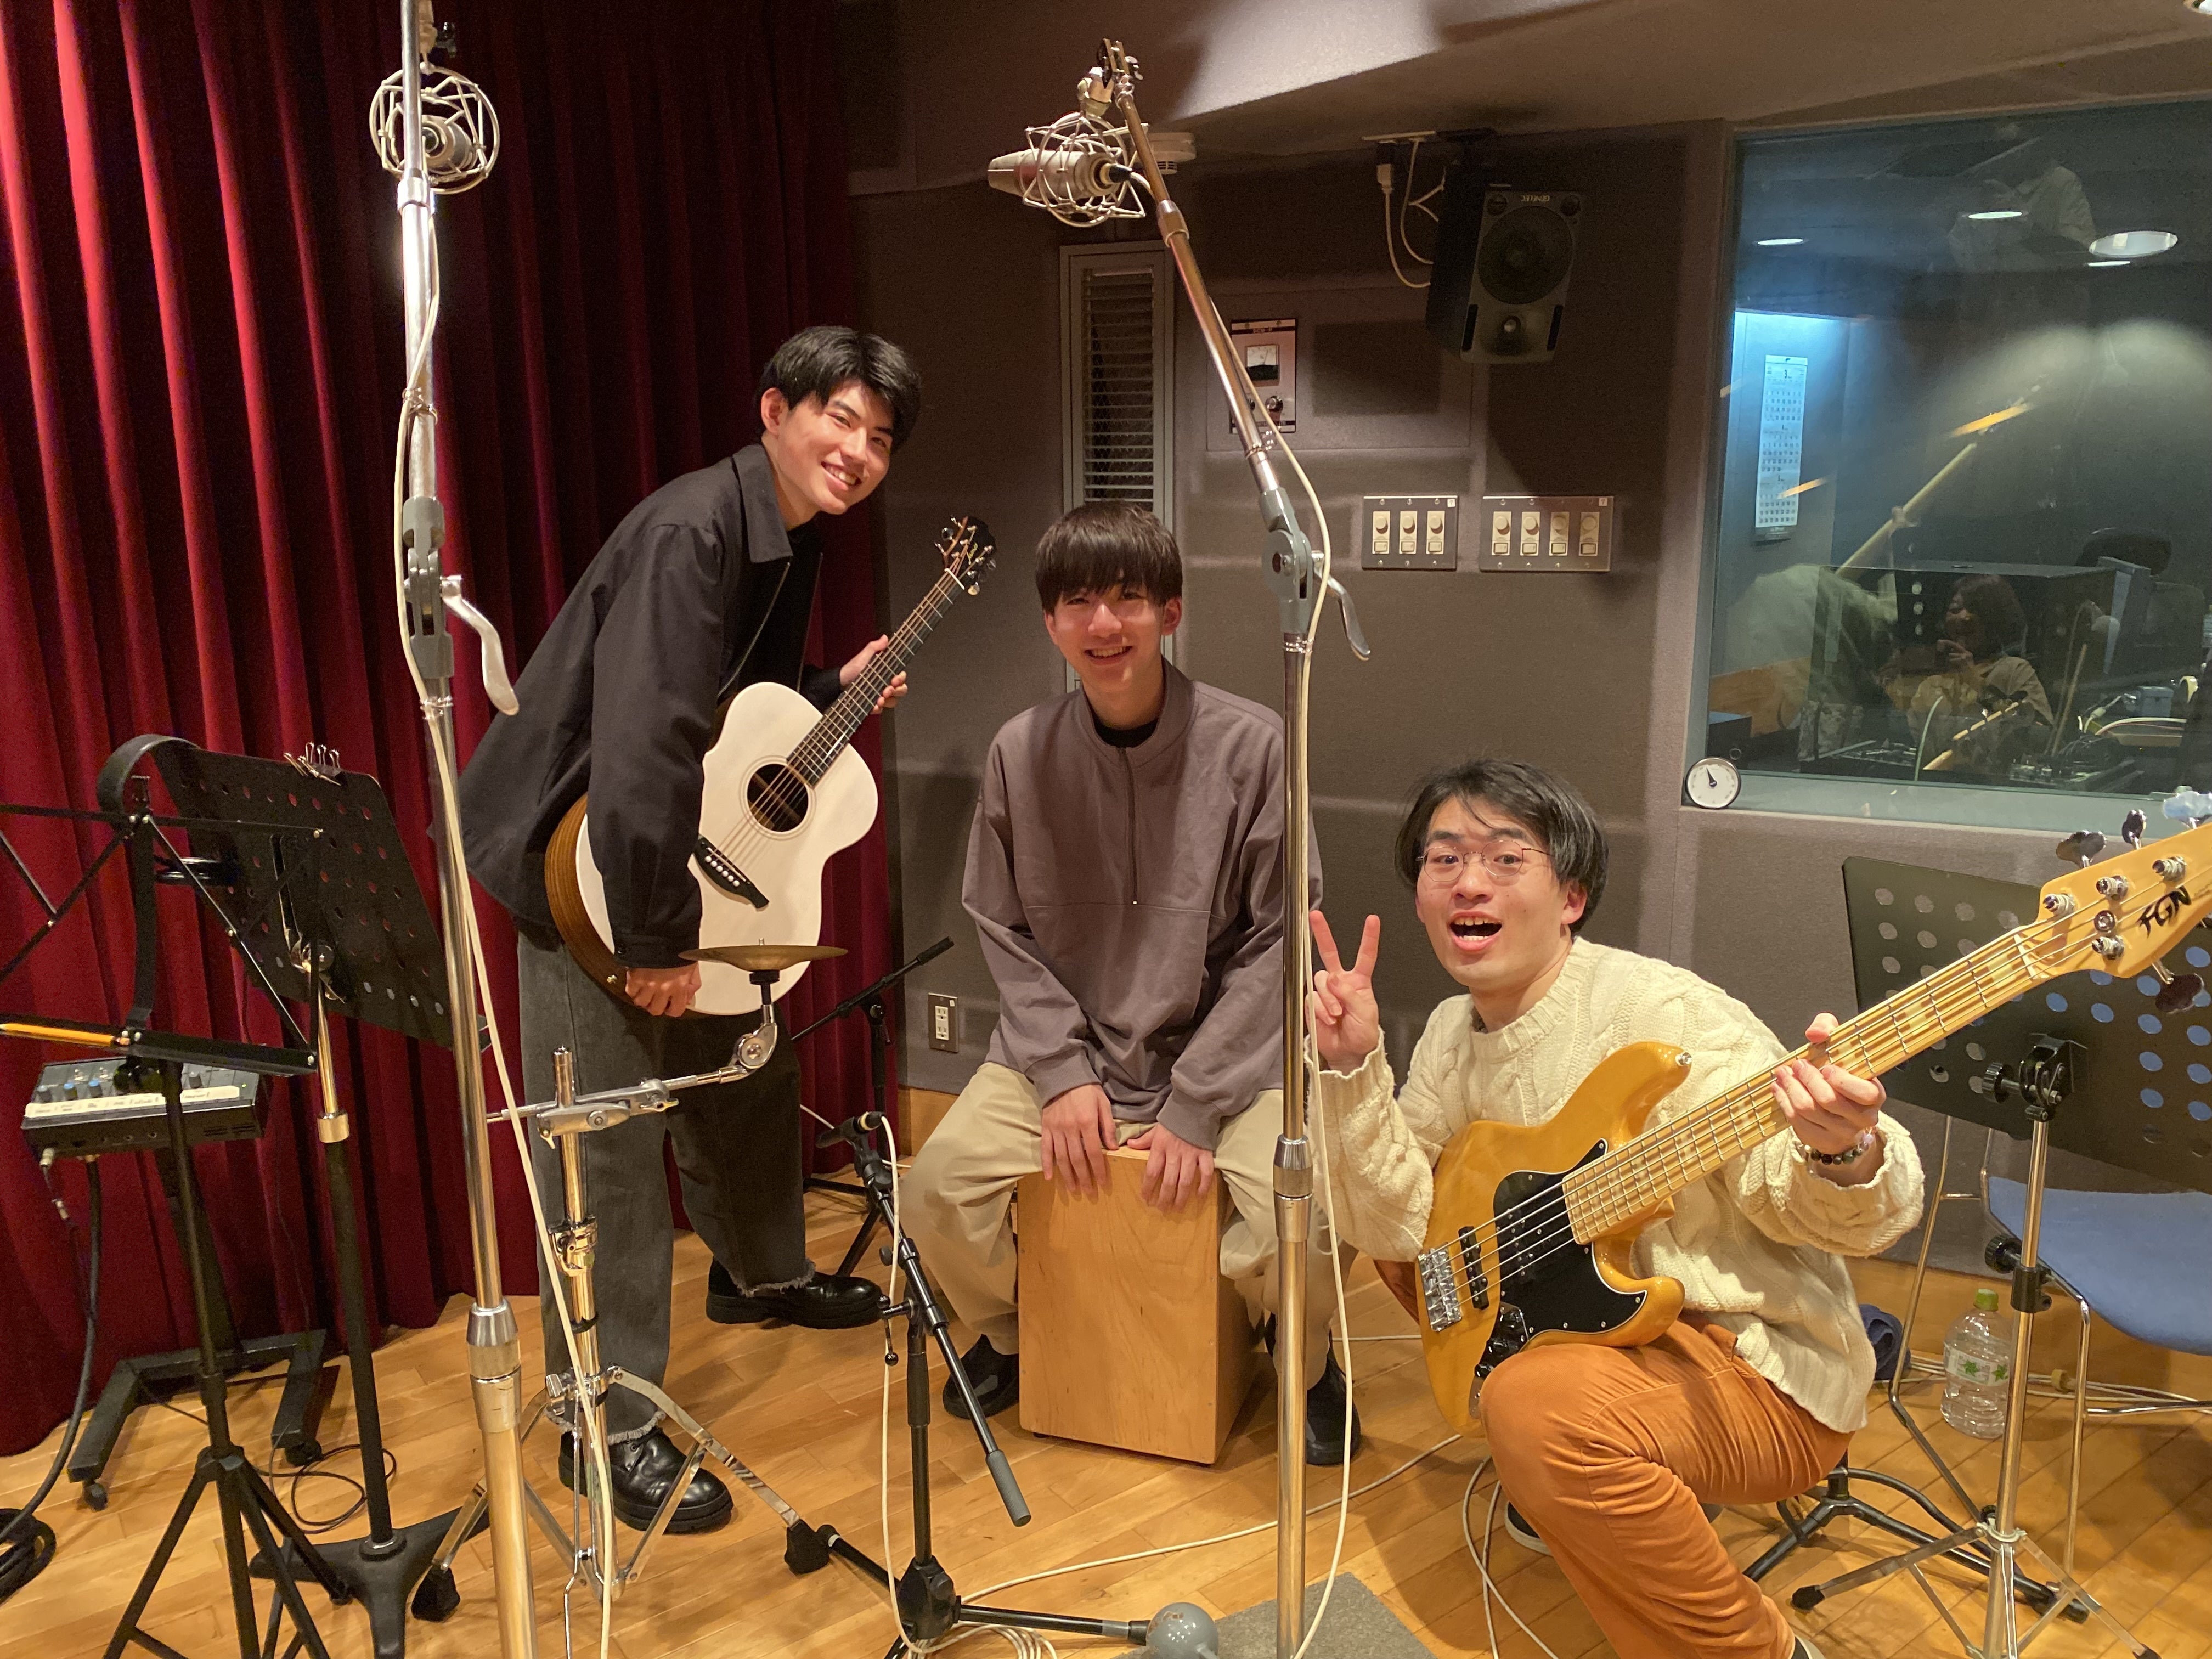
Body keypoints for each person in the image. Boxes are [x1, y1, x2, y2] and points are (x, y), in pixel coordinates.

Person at [457, 325, 922, 1533]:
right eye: (840, 419)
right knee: (606, 1142)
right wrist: (657, 940)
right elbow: (646, 741)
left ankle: (759, 1273)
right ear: (775, 410)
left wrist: (827, 694)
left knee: (747, 1064)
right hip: (588, 867)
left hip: (668, 851)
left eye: (880, 438)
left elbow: (729, 716)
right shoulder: (692, 533)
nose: (858, 451)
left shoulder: (784, 535)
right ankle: (604, 1423)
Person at [1306, 759, 1923, 1657]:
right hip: (1602, 1339)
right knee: (1432, 1254)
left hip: (1755, 1366)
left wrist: (1844, 1151)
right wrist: (1352, 1066)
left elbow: (1806, 1197)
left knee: (1534, 1407)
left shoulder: (1663, 1012)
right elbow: (1392, 1227)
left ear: (1572, 897)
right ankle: (1579, 1469)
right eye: (1444, 859)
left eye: (1505, 858)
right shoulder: (1447, 1030)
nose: (1469, 881)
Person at [904, 502, 1359, 1464]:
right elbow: (1000, 923)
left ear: (1170, 612)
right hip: (1064, 1051)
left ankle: (1300, 1350)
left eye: (1127, 598)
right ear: (1050, 624)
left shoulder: (1256, 745)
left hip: (1226, 1055)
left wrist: (1197, 1099)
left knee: (1306, 1207)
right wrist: (1062, 1072)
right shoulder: (1018, 750)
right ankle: (1011, 1332)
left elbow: (1279, 941)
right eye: (1078, 601)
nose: (1104, 623)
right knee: (937, 1188)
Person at [1901, 573, 2052, 774]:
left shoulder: (2014, 671)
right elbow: (1907, 742)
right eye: (1955, 609)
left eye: (1976, 610)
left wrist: (1975, 682)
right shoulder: (1934, 681)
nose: (1964, 617)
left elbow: (2039, 736)